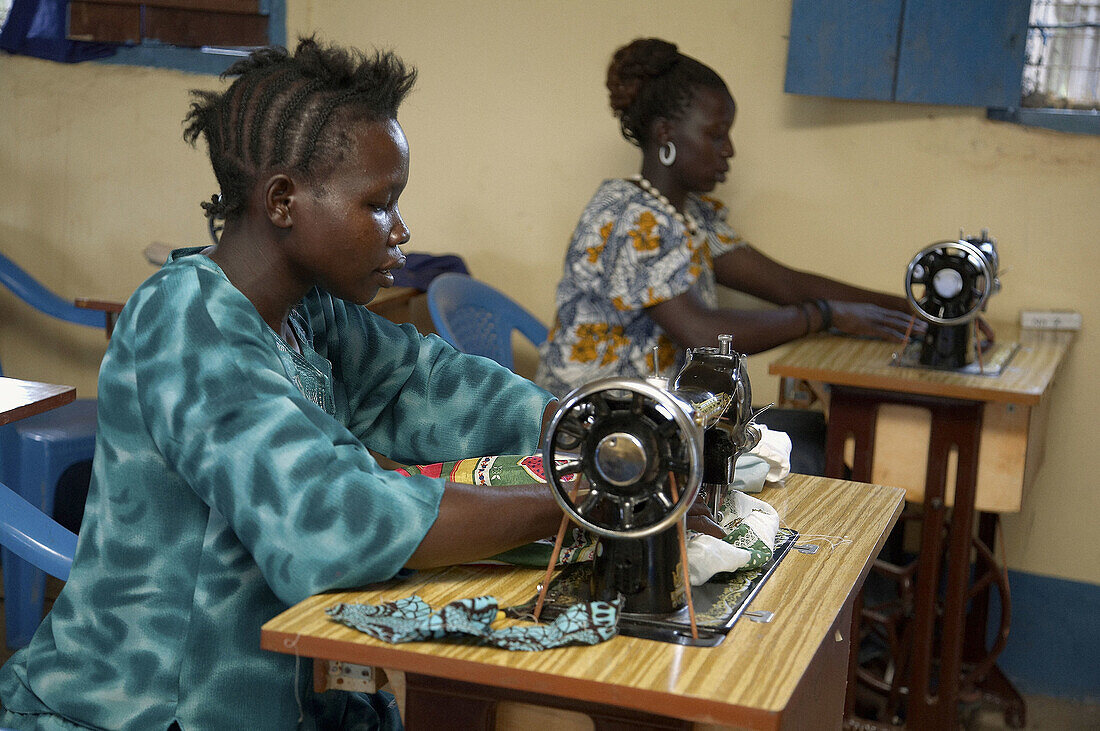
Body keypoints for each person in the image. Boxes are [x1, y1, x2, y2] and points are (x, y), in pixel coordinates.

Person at [0, 37, 589, 730]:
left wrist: (585, 424)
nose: (401, 230)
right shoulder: (187, 319)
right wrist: (576, 504)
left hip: (278, 690)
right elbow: (331, 519)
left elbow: (420, 383)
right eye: (379, 203)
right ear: (283, 199)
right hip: (147, 710)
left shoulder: (303, 311)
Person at [536, 38, 920, 399]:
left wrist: (916, 312)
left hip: (651, 419)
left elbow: (785, 284)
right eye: (716, 135)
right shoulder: (633, 219)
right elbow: (701, 333)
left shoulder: (687, 214)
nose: (730, 150)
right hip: (590, 428)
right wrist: (824, 316)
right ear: (665, 133)